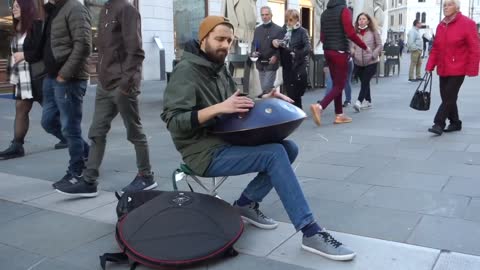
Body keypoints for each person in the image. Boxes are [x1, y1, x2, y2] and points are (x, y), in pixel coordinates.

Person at [161, 16, 357, 261]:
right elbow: (174, 122)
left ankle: (245, 204)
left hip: (224, 139)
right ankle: (310, 231)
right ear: (203, 39)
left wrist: (266, 96)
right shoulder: (186, 72)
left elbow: (237, 101)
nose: (225, 45)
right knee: (273, 154)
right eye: (219, 38)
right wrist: (219, 108)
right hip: (202, 152)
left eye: (229, 40)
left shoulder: (217, 67)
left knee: (288, 148)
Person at [55, 0, 156, 197]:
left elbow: (135, 51)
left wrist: (126, 85)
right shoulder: (105, 10)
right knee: (96, 132)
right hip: (104, 84)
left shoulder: (127, 9)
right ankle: (89, 181)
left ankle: (146, 175)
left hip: (121, 85)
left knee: (134, 132)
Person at [0, 0, 66, 160]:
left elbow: (40, 50)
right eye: (12, 5)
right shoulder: (16, 28)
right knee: (21, 108)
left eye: (17, 5)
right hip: (22, 76)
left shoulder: (36, 25)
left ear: (26, 9)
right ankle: (17, 145)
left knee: (50, 113)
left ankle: (68, 137)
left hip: (37, 76)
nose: (13, 8)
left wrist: (23, 55)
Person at [41, 0, 91, 187]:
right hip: (51, 77)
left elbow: (84, 44)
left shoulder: (75, 8)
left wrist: (65, 74)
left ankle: (76, 170)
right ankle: (87, 152)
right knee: (48, 122)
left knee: (70, 127)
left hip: (68, 79)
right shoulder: (53, 11)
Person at [310, 0, 368, 126]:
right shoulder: (344, 10)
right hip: (340, 52)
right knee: (340, 85)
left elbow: (322, 37)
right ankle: (320, 106)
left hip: (328, 51)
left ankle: (339, 114)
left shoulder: (325, 13)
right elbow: (350, 32)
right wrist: (364, 46)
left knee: (337, 84)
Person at [426, 0, 480, 135]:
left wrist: (472, 69)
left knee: (449, 96)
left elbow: (475, 47)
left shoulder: (468, 24)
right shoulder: (440, 25)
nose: (445, 7)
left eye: (449, 4)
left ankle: (438, 123)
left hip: (459, 67)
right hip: (443, 67)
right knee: (448, 97)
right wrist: (429, 66)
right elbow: (436, 48)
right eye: (444, 5)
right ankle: (455, 122)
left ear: (457, 7)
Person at [272, 9, 311, 109]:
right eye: (287, 20)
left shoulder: (302, 31)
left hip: (298, 64)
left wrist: (296, 53)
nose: (288, 23)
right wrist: (274, 43)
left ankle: (298, 110)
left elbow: (308, 47)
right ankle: (295, 111)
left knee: (297, 91)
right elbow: (277, 44)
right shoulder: (283, 30)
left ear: (296, 19)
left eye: (290, 20)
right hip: (286, 64)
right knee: (289, 90)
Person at [351, 12, 382, 112]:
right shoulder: (355, 33)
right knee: (365, 82)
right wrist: (353, 52)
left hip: (371, 62)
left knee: (365, 81)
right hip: (358, 62)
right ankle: (368, 101)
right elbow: (351, 45)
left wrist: (373, 55)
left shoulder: (373, 31)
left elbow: (379, 45)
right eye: (360, 19)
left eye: (364, 19)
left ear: (368, 21)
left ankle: (359, 102)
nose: (361, 21)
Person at [252, 6, 284, 94]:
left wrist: (276, 56)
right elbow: (255, 44)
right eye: (262, 15)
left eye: (266, 14)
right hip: (260, 63)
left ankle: (272, 97)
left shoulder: (279, 30)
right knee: (265, 89)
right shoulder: (257, 30)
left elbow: (282, 47)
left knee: (266, 87)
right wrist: (254, 52)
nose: (264, 17)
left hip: (271, 63)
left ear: (271, 15)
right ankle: (272, 101)